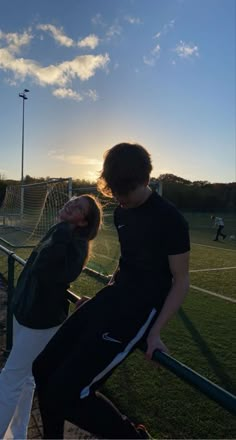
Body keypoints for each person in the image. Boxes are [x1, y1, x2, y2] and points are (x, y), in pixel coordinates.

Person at [33, 142, 190, 439]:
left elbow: (181, 280)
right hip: (112, 298)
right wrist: (101, 299)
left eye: (125, 194)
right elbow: (128, 261)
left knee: (69, 392)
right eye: (116, 193)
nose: (120, 200)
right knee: (42, 367)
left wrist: (155, 332)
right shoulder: (121, 212)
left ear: (145, 180)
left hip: (138, 311)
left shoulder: (170, 219)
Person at [0, 194, 102, 440]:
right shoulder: (60, 231)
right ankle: (17, 434)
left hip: (41, 321)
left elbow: (47, 271)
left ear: (84, 222)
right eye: (73, 200)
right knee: (25, 379)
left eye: (78, 208)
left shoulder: (73, 242)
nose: (70, 204)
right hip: (26, 312)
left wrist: (63, 232)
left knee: (10, 377)